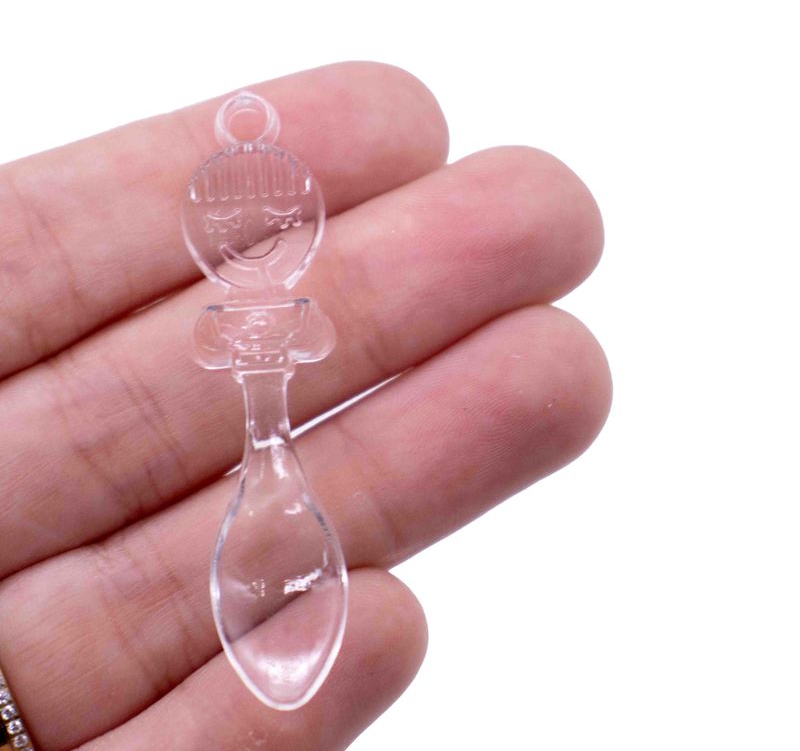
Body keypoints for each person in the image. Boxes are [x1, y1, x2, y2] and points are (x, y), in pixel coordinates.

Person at [0, 61, 611, 750]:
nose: (249, 231)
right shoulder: (223, 315)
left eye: (268, 218)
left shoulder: (291, 310)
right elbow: (214, 340)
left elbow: (312, 336)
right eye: (225, 219)